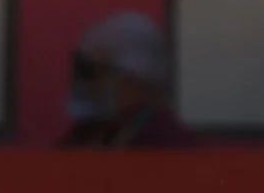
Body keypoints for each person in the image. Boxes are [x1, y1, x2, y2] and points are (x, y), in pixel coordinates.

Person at [60, 12, 196, 148]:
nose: (88, 84)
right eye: (83, 72)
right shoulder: (85, 135)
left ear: (136, 81)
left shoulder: (172, 145)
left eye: (92, 72)